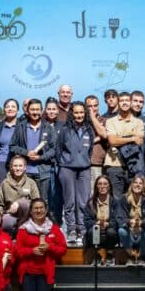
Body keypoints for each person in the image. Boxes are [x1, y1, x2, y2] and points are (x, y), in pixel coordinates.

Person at [15, 199, 67, 291]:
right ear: (31, 211)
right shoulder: (23, 229)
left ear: (46, 210)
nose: (39, 211)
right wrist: (31, 251)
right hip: (28, 275)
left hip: (45, 274)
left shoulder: (54, 228)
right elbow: (17, 251)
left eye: (41, 208)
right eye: (36, 208)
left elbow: (63, 249)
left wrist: (50, 247)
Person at [57, 102, 95, 246]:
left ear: (85, 113)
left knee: (83, 201)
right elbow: (58, 149)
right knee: (70, 201)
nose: (79, 115)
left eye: (81, 112)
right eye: (76, 113)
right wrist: (64, 162)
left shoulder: (89, 130)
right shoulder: (65, 130)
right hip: (67, 168)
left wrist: (84, 160)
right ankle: (71, 230)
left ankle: (82, 229)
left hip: (84, 168)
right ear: (72, 114)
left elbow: (90, 150)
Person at [10, 98, 57, 202]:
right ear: (27, 110)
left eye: (37, 109)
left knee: (42, 202)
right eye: (32, 110)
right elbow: (12, 146)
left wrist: (41, 157)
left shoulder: (48, 128)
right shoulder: (20, 127)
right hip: (24, 172)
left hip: (43, 173)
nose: (35, 112)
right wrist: (26, 153)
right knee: (23, 202)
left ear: (42, 110)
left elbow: (54, 149)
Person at [103, 92, 145, 199]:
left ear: (131, 102)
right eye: (121, 101)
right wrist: (132, 138)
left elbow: (139, 141)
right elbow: (112, 141)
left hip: (133, 165)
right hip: (114, 164)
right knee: (116, 199)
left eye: (127, 100)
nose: (124, 103)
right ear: (118, 103)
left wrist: (119, 138)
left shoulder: (139, 122)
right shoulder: (110, 121)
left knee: (133, 199)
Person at [114, 174, 145, 265]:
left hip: (142, 233)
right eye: (135, 182)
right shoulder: (124, 198)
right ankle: (131, 256)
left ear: (144, 186)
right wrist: (129, 222)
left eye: (140, 183)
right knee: (121, 231)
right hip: (129, 233)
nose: (137, 185)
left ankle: (140, 257)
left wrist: (141, 223)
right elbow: (119, 218)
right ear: (131, 185)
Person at [0, 155, 40, 233]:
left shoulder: (31, 183)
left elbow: (37, 202)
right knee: (6, 222)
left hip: (28, 216)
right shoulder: (5, 183)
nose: (18, 168)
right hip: (11, 215)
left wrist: (19, 203)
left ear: (25, 167)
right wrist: (4, 213)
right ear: (11, 167)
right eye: (15, 166)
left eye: (20, 166)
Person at [82, 174, 119, 266]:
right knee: (93, 230)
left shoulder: (114, 202)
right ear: (96, 186)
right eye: (100, 184)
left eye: (105, 184)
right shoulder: (90, 203)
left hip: (109, 230)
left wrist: (108, 224)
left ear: (109, 186)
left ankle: (109, 255)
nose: (102, 186)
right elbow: (86, 221)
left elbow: (117, 219)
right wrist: (97, 223)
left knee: (111, 232)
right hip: (96, 230)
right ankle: (97, 254)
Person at [0, 98, 19, 185]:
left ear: (18, 110)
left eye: (13, 107)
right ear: (4, 110)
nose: (10, 109)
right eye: (7, 107)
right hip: (1, 162)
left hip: (18, 163)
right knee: (3, 188)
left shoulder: (23, 125)